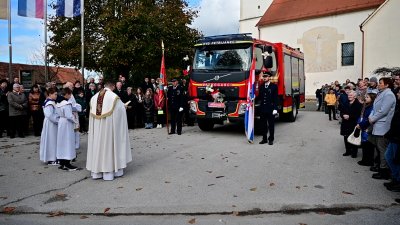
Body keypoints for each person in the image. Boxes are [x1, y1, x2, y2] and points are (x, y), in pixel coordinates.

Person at [86, 82, 132, 181]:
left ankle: (96, 173)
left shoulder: (94, 97)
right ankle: (110, 172)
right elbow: (120, 112)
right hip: (109, 130)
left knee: (98, 146)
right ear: (113, 87)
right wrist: (124, 107)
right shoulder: (114, 97)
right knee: (109, 147)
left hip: (97, 130)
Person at [368, 77, 396, 180]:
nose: (378, 84)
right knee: (379, 148)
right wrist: (371, 116)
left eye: (380, 83)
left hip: (383, 125)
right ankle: (380, 168)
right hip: (377, 124)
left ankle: (384, 171)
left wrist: (373, 118)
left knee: (382, 149)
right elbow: (376, 108)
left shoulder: (388, 95)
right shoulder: (382, 93)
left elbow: (383, 110)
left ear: (387, 85)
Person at [56, 88, 78, 171]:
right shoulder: (67, 103)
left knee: (62, 142)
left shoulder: (58, 102)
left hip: (61, 122)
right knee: (68, 142)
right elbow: (69, 115)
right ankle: (67, 163)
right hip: (67, 123)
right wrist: (75, 120)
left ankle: (62, 162)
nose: (70, 96)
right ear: (67, 94)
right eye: (70, 94)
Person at [384, 90, 400, 191]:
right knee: (388, 156)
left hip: (398, 138)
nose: (397, 94)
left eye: (399, 92)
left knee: (397, 160)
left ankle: (398, 181)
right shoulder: (398, 104)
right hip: (393, 136)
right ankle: (395, 178)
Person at [39, 88, 59, 165]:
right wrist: (59, 120)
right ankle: (51, 159)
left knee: (53, 140)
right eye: (55, 94)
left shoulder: (52, 102)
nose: (56, 96)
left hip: (52, 124)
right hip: (50, 124)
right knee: (51, 140)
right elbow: (50, 115)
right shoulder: (49, 103)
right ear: (50, 94)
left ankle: (54, 157)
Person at [356, 93, 377, 166]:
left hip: (367, 127)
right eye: (365, 97)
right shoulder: (366, 105)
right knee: (364, 145)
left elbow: (368, 119)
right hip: (363, 126)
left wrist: (361, 125)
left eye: (367, 97)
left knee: (368, 145)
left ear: (372, 99)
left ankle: (368, 161)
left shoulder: (372, 107)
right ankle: (364, 160)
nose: (365, 98)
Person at [340, 90, 362, 158]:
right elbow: (341, 111)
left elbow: (358, 115)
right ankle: (348, 151)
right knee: (346, 137)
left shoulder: (358, 104)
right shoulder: (346, 103)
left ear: (355, 96)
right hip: (345, 123)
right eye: (349, 95)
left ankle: (354, 152)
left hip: (353, 123)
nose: (349, 96)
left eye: (351, 95)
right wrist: (343, 115)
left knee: (353, 137)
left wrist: (349, 116)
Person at [258, 72, 278, 145]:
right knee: (263, 125)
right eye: (264, 76)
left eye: (266, 76)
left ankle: (271, 139)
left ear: (269, 77)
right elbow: (260, 97)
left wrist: (275, 108)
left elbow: (276, 98)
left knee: (271, 125)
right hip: (263, 109)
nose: (264, 78)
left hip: (270, 109)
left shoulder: (274, 86)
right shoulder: (261, 86)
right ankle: (264, 139)